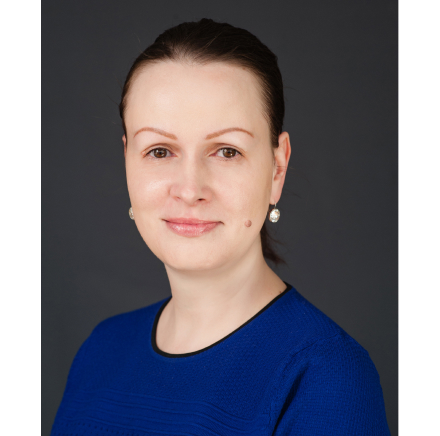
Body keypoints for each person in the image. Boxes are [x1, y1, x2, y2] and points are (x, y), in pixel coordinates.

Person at [50, 18, 391, 435]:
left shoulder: (326, 377)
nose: (190, 189)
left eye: (227, 151)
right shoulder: (100, 350)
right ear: (127, 161)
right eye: (160, 151)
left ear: (277, 168)